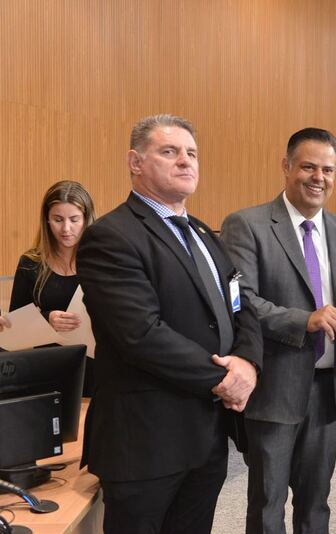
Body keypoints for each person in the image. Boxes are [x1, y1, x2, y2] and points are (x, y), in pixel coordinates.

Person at [76, 114, 263, 534]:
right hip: (146, 443)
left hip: (206, 437)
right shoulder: (111, 236)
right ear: (135, 162)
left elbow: (242, 305)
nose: (185, 161)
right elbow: (141, 334)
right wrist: (225, 378)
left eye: (191, 153)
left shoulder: (203, 233)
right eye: (169, 151)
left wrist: (248, 363)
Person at [220, 127, 336, 533]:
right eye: (308, 167)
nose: (318, 177)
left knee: (316, 503)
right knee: (267, 504)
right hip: (275, 390)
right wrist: (304, 319)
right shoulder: (247, 224)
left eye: (328, 169)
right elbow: (241, 302)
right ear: (286, 167)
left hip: (330, 392)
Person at [10, 180, 95, 331]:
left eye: (74, 220)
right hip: (46, 346)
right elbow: (16, 322)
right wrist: (46, 318)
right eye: (58, 220)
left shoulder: (103, 261)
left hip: (95, 346)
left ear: (86, 219)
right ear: (47, 220)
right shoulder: (30, 263)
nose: (66, 228)